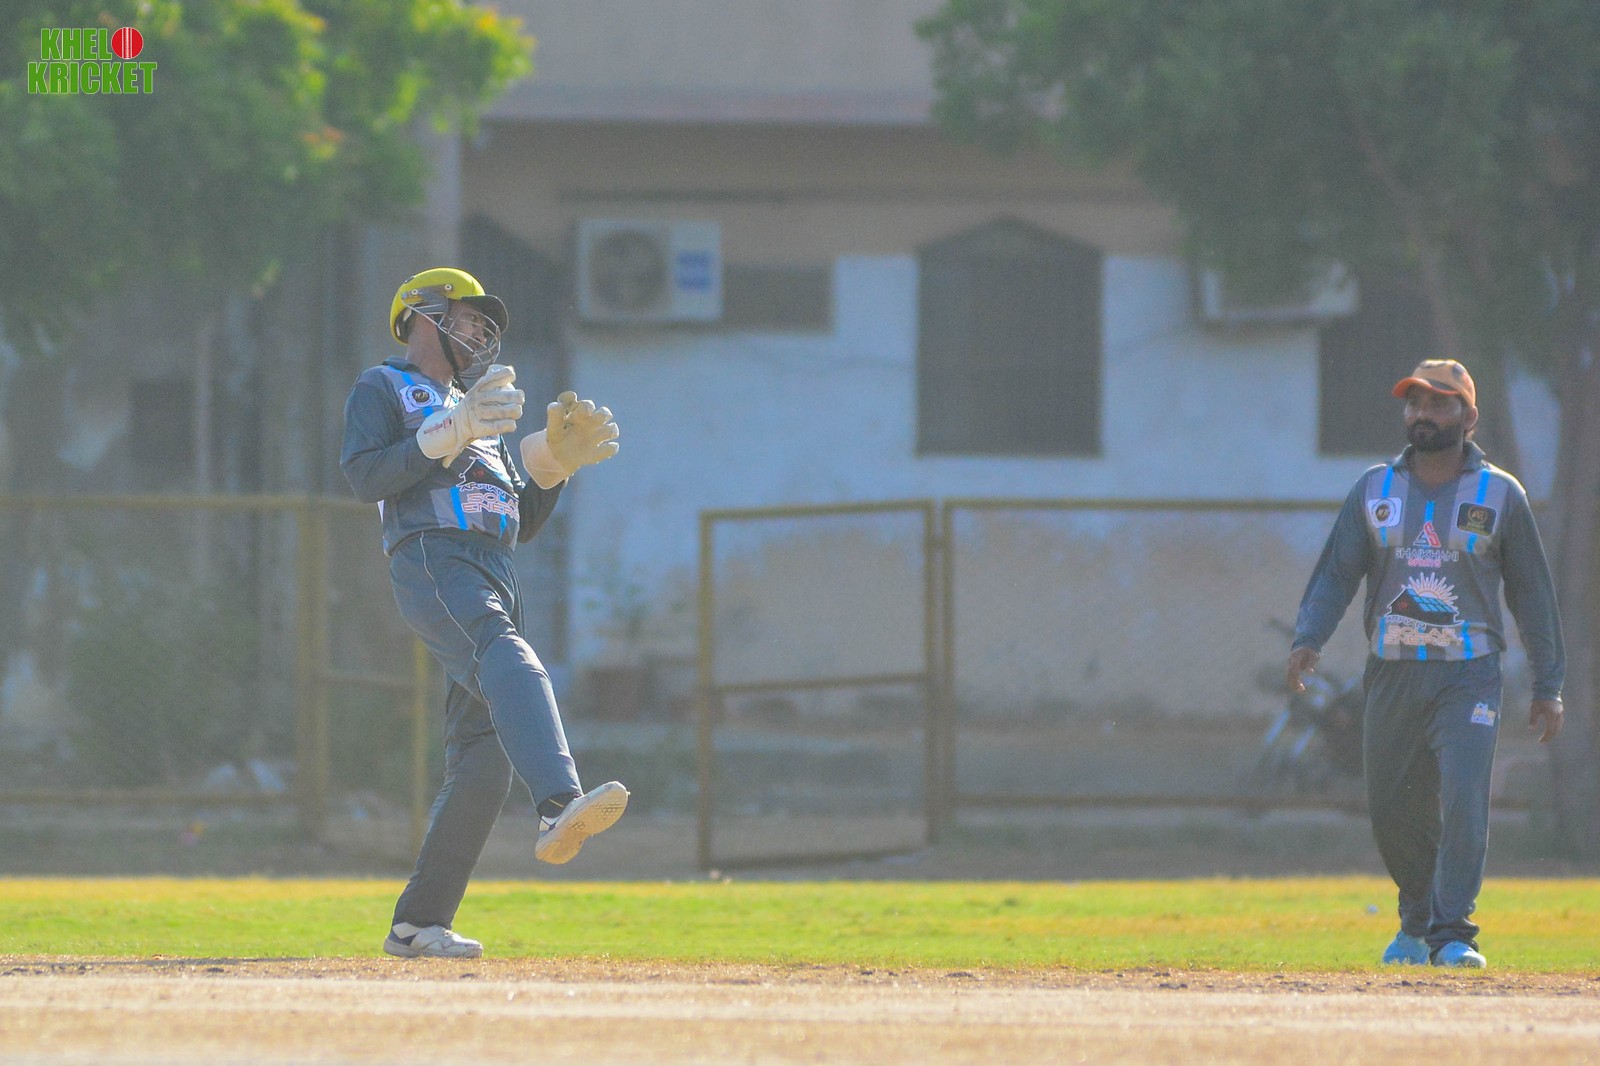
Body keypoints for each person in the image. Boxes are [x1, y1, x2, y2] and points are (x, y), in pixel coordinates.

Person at [341, 266, 629, 959]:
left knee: (484, 758)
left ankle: (418, 924)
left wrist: (553, 467)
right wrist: (445, 431)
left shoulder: (480, 411)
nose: (480, 331)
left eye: (483, 322)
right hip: (432, 556)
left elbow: (516, 519)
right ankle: (557, 804)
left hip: (493, 566)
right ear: (423, 315)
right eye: (468, 316)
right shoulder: (384, 385)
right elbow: (366, 475)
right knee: (509, 655)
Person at [1287, 359, 1565, 970]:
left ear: (1468, 416)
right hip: (1391, 670)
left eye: (1440, 404)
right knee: (1391, 806)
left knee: (1463, 796)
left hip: (1469, 674)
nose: (1423, 414)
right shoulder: (1374, 489)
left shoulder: (1500, 494)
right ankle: (1416, 922)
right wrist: (1309, 636)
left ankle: (1453, 933)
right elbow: (1337, 573)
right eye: (1415, 402)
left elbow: (1532, 595)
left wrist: (1549, 683)